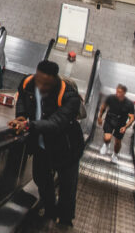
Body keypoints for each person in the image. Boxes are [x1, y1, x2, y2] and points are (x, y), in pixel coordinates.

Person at [10, 61, 85, 229]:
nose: (41, 86)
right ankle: (51, 212)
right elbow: (22, 97)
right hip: (41, 146)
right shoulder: (28, 82)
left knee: (67, 186)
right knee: (41, 179)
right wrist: (21, 115)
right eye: (39, 81)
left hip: (67, 148)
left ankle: (65, 221)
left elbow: (56, 123)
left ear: (54, 80)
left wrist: (29, 125)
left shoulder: (69, 96)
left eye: (46, 84)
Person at [97, 84, 135, 161]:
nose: (117, 93)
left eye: (120, 92)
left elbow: (131, 118)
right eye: (117, 91)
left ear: (124, 93)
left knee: (118, 142)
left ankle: (115, 154)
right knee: (107, 137)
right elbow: (103, 107)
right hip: (110, 118)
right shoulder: (111, 98)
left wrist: (125, 127)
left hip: (121, 122)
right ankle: (106, 144)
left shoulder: (129, 104)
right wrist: (100, 117)